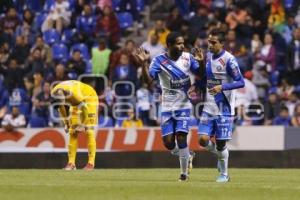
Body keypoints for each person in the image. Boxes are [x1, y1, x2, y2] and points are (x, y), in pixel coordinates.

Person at [135, 32, 203, 181]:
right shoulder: (159, 61)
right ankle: (188, 154)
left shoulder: (187, 57)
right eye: (178, 43)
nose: (182, 46)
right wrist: (144, 63)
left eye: (182, 43)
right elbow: (148, 81)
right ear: (169, 45)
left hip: (184, 105)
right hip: (167, 106)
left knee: (181, 137)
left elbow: (201, 73)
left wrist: (201, 62)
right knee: (168, 143)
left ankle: (184, 174)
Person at [196, 28, 245, 183]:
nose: (210, 45)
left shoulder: (229, 60)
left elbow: (241, 82)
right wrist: (200, 64)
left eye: (213, 42)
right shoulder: (208, 56)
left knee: (221, 143)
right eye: (209, 41)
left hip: (224, 107)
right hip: (209, 106)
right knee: (202, 140)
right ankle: (220, 155)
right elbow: (205, 78)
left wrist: (222, 87)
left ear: (222, 43)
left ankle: (224, 174)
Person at [51, 80, 98, 171]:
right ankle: (71, 163)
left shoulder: (74, 94)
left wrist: (82, 124)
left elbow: (83, 108)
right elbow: (61, 108)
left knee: (88, 130)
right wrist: (66, 123)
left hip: (89, 97)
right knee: (72, 131)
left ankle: (91, 163)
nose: (62, 104)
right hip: (76, 102)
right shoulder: (54, 92)